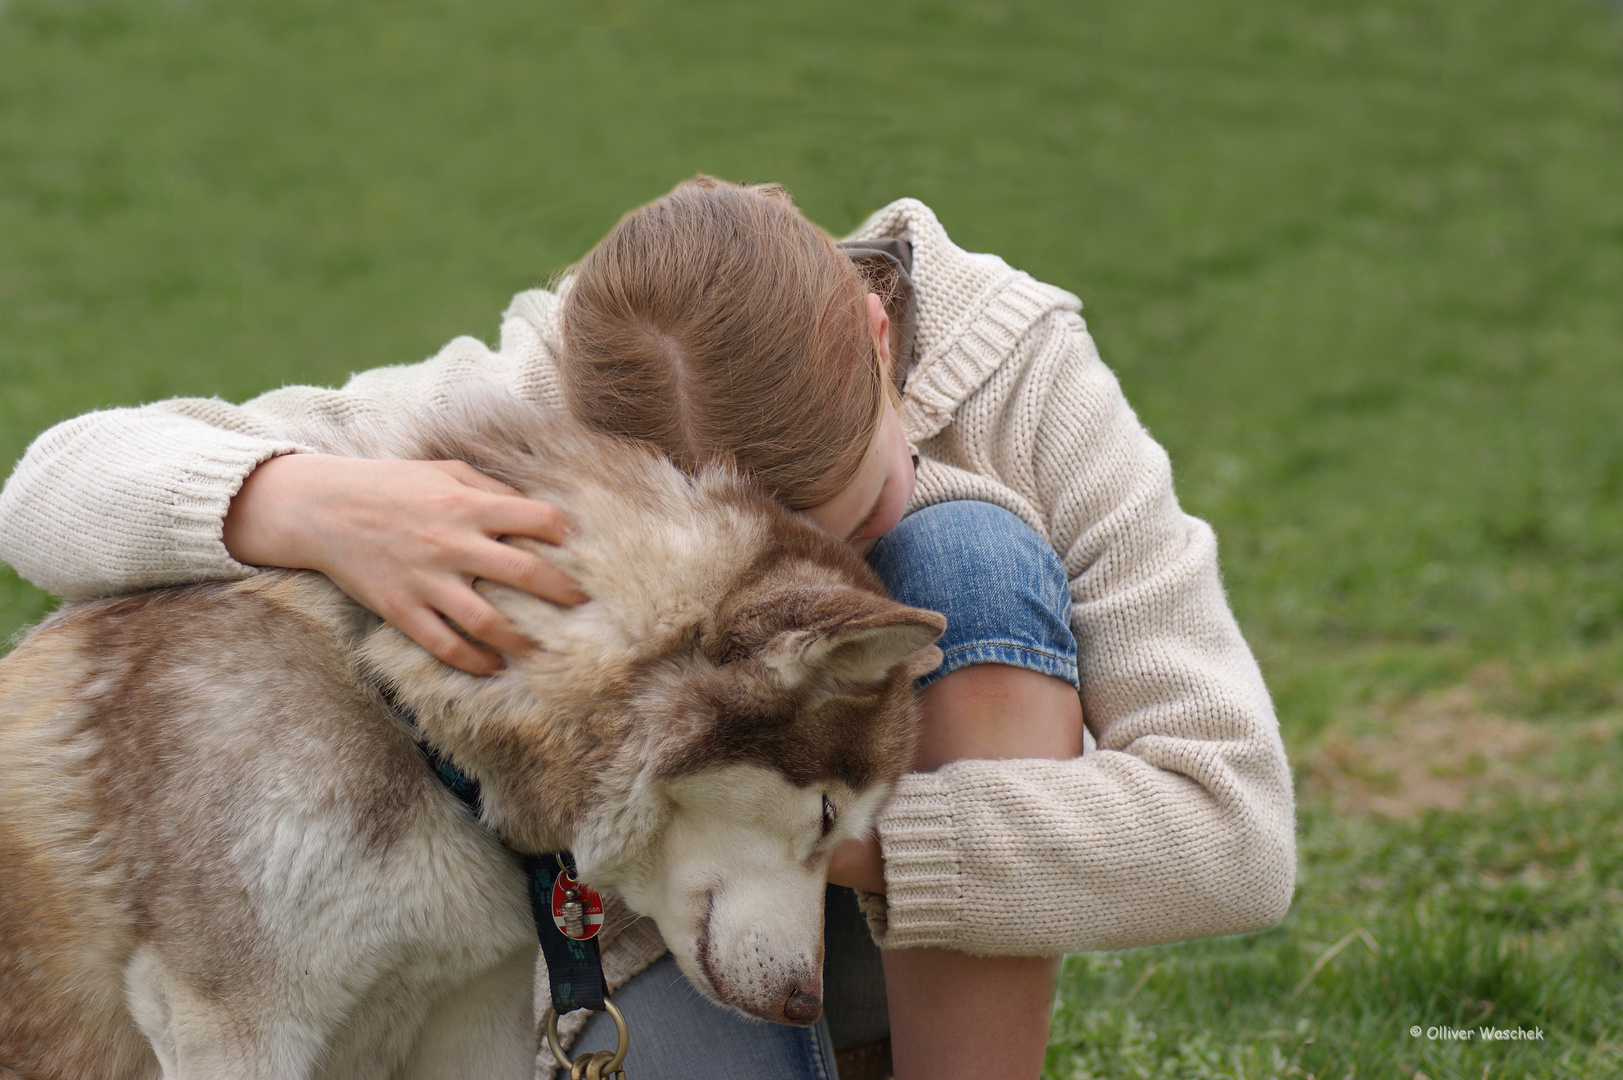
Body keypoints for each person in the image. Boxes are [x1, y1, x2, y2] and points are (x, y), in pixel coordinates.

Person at [0, 177, 1295, 1080]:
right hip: (628, 954)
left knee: (966, 553)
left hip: (820, 860)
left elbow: (1236, 834)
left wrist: (814, 826)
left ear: (873, 323)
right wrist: (302, 499)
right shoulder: (551, 404)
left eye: (848, 508)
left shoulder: (1025, 374)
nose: (817, 569)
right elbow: (49, 489)